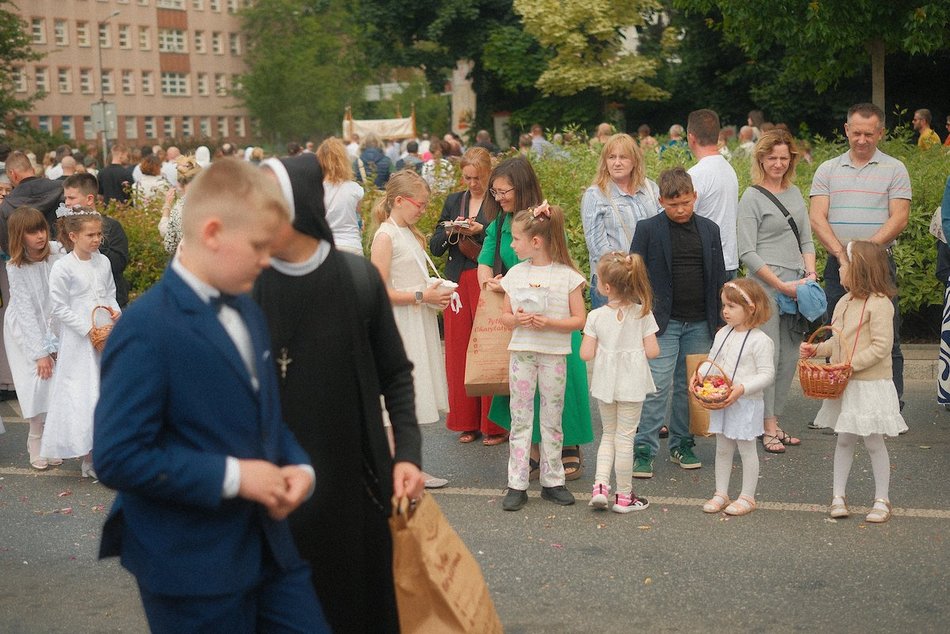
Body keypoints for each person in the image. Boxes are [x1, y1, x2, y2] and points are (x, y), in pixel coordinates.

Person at [93, 160, 328, 632]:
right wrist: (235, 476)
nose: (268, 260)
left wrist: (298, 466)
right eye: (260, 247)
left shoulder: (247, 307)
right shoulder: (146, 328)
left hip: (268, 548)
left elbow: (263, 415)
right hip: (190, 567)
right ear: (214, 231)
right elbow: (117, 456)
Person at [255, 154, 423, 633]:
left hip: (357, 481)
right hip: (276, 486)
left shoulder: (356, 279)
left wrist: (407, 452)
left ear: (297, 206)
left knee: (358, 609)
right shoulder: (249, 284)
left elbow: (395, 373)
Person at [477, 156, 593, 480]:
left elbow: (560, 266)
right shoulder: (499, 223)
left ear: (522, 186)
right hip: (520, 316)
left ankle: (567, 443)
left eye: (504, 191)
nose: (498, 198)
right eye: (494, 191)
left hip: (553, 316)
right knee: (524, 390)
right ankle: (532, 447)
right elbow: (485, 262)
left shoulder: (545, 218)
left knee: (560, 387)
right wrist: (491, 282)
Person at [809, 102, 911, 411]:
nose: (862, 140)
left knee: (885, 332)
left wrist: (862, 253)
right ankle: (834, 402)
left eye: (869, 134)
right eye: (856, 133)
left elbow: (899, 218)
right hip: (837, 262)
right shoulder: (827, 168)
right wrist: (843, 255)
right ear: (846, 130)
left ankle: (892, 405)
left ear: (881, 132)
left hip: (878, 263)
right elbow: (817, 217)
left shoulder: (895, 169)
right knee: (836, 329)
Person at [630, 167, 728, 478]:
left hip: (701, 321)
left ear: (694, 196)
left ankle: (682, 443)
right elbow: (635, 275)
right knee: (657, 386)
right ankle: (643, 449)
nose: (681, 209)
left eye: (686, 202)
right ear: (660, 201)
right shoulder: (647, 229)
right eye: (673, 205)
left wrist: (721, 319)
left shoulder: (710, 229)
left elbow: (720, 277)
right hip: (662, 322)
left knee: (691, 387)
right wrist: (641, 316)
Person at [801, 241, 907, 523]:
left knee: (873, 442)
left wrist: (849, 366)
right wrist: (817, 350)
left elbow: (882, 347)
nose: (839, 271)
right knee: (844, 439)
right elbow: (838, 341)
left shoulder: (880, 304)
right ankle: (838, 496)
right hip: (846, 383)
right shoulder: (844, 302)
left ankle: (882, 499)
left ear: (859, 270)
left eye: (843, 266)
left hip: (869, 385)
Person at [498, 201, 586, 511]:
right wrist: (517, 320)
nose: (511, 243)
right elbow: (505, 316)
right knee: (520, 417)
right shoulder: (514, 274)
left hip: (554, 354)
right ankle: (517, 482)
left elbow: (580, 320)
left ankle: (553, 480)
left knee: (552, 417)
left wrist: (550, 323)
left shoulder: (566, 276)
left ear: (536, 242)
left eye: (515, 238)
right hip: (522, 354)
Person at [370, 170, 453, 489]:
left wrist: (433, 290)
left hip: (416, 319)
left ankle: (408, 465)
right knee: (400, 395)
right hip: (399, 323)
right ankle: (397, 466)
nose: (423, 209)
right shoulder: (386, 236)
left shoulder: (410, 234)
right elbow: (379, 290)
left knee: (415, 393)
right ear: (400, 201)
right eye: (419, 204)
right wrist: (422, 295)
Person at [737, 129, 815, 453]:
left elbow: (807, 239)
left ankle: (774, 419)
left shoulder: (795, 193)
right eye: (773, 158)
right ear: (761, 158)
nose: (779, 164)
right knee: (768, 356)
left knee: (790, 357)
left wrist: (809, 274)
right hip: (765, 287)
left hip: (798, 284)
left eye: (784, 158)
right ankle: (767, 426)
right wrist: (780, 284)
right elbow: (747, 252)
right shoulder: (751, 197)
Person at [429, 147, 509, 445]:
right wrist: (452, 230)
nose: (473, 183)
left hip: (487, 279)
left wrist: (481, 229)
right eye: (467, 177)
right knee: (458, 351)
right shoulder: (454, 201)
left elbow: (506, 236)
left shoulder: (497, 201)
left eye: (478, 177)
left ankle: (495, 424)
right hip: (458, 282)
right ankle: (465, 421)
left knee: (489, 348)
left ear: (489, 174)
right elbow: (435, 245)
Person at [41, 204, 120, 477]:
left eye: (99, 234)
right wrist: (87, 329)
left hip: (104, 331)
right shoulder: (63, 267)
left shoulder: (104, 261)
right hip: (80, 338)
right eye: (90, 235)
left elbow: (109, 293)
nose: (97, 239)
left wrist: (115, 314)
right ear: (73, 236)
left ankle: (105, 449)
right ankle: (88, 455)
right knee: (84, 392)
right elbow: (59, 307)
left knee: (106, 390)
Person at [580, 252, 658, 513]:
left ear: (606, 287)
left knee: (608, 435)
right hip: (633, 383)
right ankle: (624, 497)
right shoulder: (643, 313)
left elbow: (586, 354)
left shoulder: (596, 316)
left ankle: (600, 486)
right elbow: (653, 351)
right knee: (626, 438)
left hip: (606, 382)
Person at [697, 279, 774, 517]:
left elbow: (767, 374)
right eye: (724, 306)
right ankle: (721, 492)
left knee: (746, 448)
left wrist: (742, 388)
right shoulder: (723, 333)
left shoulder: (760, 340)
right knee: (722, 447)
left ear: (750, 308)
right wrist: (699, 375)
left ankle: (747, 496)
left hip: (746, 402)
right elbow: (713, 359)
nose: (725, 311)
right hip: (723, 400)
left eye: (731, 306)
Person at [4, 207, 64, 470]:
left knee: (55, 384)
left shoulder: (58, 252)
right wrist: (40, 351)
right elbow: (26, 310)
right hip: (25, 330)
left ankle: (51, 439)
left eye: (42, 228)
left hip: (56, 323)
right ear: (19, 236)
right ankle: (35, 438)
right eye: (32, 232)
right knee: (36, 381)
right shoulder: (15, 266)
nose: (40, 236)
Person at [580, 133, 661, 309]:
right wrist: (625, 268)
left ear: (634, 160)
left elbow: (663, 229)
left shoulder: (650, 189)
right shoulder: (595, 195)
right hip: (612, 284)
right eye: (611, 157)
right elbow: (597, 246)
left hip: (646, 280)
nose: (617, 163)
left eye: (623, 157)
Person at [63, 173, 131, 307]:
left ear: (89, 199)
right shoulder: (65, 229)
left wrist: (95, 239)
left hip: (112, 304)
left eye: (71, 198)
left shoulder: (111, 227)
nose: (66, 203)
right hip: (78, 306)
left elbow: (119, 264)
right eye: (65, 198)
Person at [687, 109, 740, 277]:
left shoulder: (696, 174)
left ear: (691, 138)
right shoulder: (728, 169)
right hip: (729, 259)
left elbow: (683, 219)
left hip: (706, 262)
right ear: (718, 136)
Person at [0, 151, 64, 252]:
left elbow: (8, 245)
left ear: (13, 174)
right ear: (33, 170)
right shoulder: (63, 189)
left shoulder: (6, 205)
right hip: (62, 255)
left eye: (9, 178)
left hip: (27, 260)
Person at [316, 137, 365, 255]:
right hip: (352, 245)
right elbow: (361, 213)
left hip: (326, 247)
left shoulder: (316, 189)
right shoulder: (355, 189)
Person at [159, 155, 203, 255]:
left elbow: (170, 245)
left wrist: (167, 206)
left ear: (179, 183)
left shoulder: (179, 207)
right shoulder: (215, 201)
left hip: (191, 262)